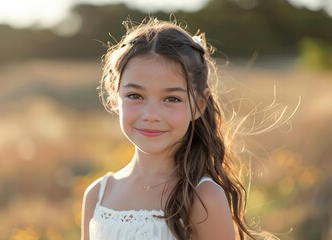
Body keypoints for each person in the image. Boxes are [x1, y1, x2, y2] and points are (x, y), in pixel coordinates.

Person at [81, 17, 274, 240]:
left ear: (199, 105)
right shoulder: (98, 194)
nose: (151, 115)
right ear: (115, 99)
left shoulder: (203, 197)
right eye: (135, 96)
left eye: (171, 99)